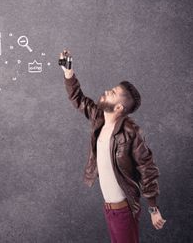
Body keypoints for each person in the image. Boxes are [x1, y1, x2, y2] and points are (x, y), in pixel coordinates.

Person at [60, 49, 166, 242]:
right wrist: (68, 72)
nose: (108, 91)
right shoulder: (99, 119)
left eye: (114, 93)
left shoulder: (131, 132)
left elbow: (147, 169)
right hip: (110, 210)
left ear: (119, 108)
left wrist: (153, 208)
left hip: (123, 210)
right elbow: (79, 99)